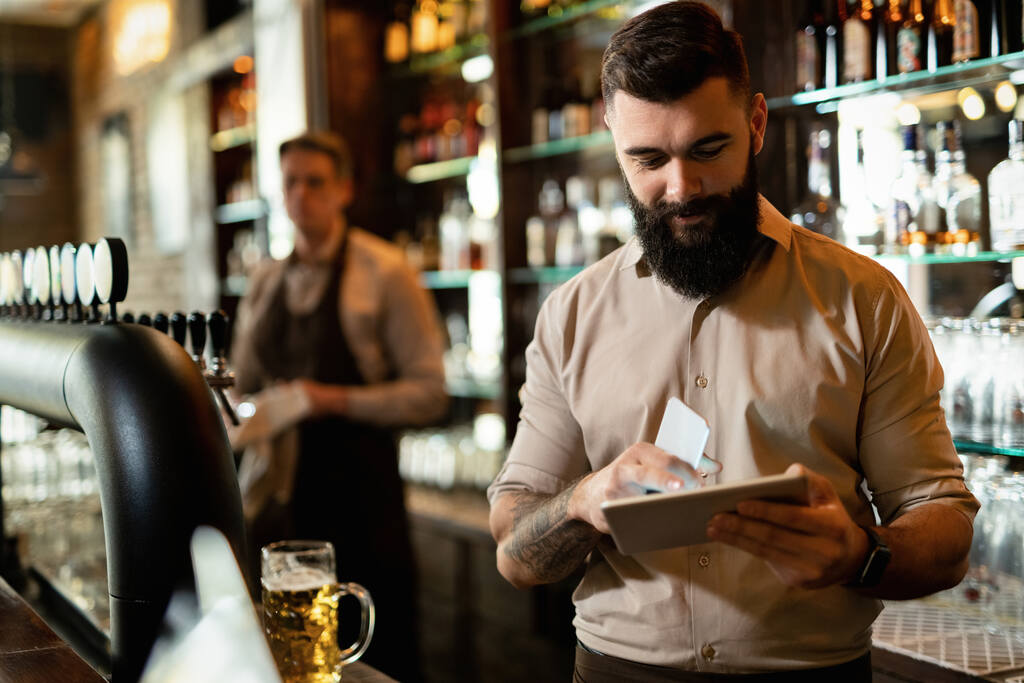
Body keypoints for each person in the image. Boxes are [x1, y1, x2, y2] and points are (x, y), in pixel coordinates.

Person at [487, 3, 979, 681]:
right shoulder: (571, 314)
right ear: (614, 141)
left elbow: (945, 526)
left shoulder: (864, 299)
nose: (681, 188)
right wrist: (585, 500)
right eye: (648, 159)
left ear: (755, 124)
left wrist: (861, 553)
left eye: (707, 149)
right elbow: (514, 551)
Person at [231, 131, 447, 682]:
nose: (301, 195)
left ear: (344, 189)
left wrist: (324, 399)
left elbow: (429, 393)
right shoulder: (264, 281)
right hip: (282, 505)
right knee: (292, 658)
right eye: (290, 183)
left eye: (315, 182)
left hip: (362, 501)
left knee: (376, 654)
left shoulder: (386, 271)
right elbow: (239, 385)